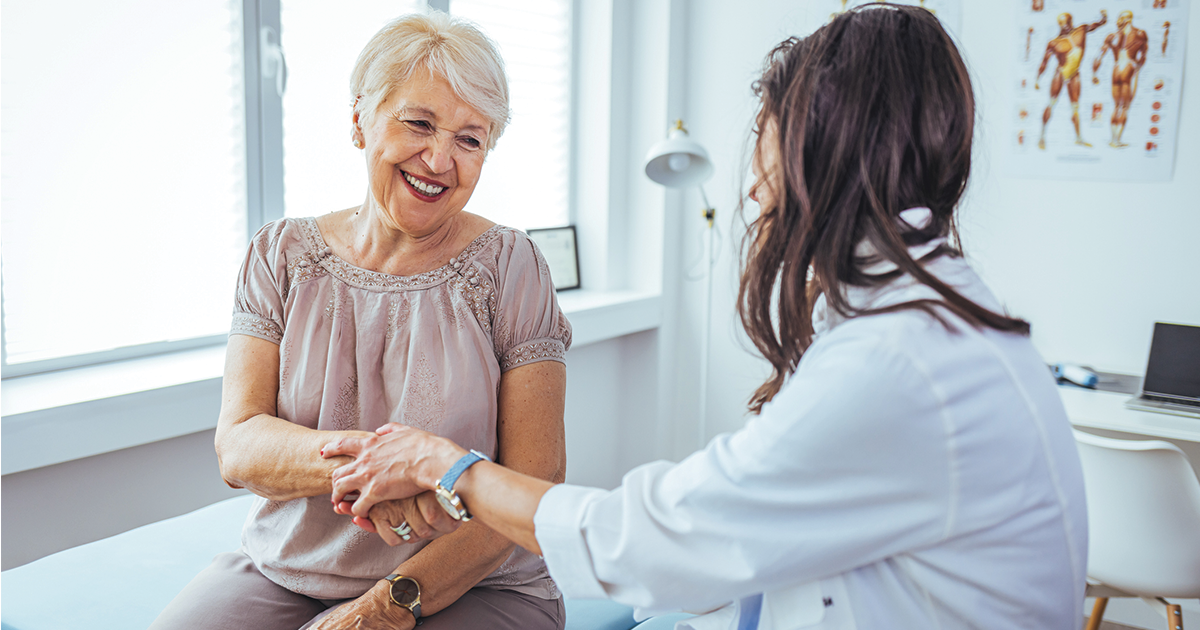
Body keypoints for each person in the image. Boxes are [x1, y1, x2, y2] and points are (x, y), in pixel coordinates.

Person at [324, 6, 1087, 630]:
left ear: (819, 143)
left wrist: (444, 466)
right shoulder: (920, 319)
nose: (753, 187)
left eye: (765, 128)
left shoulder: (899, 360)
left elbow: (652, 541)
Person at [150, 12, 571, 630]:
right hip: (288, 571)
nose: (439, 159)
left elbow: (537, 478)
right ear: (358, 121)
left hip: (478, 580)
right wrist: (382, 467)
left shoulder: (512, 266)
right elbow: (238, 446)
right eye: (420, 124)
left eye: (469, 139)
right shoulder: (281, 254)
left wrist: (388, 602)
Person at [1036, 11, 1109, 149]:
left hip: (1075, 74)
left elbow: (1095, 25)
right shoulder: (1054, 42)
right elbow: (1044, 62)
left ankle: (1078, 138)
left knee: (1075, 107)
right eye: (1062, 23)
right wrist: (1038, 78)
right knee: (1051, 104)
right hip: (1061, 73)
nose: (1065, 25)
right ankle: (1041, 136)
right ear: (1059, 24)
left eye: (1067, 22)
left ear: (1071, 20)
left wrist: (1103, 19)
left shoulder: (1081, 30)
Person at [1092, 11, 1148, 148]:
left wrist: (1094, 73)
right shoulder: (1140, 33)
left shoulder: (1111, 36)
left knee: (1116, 106)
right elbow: (1143, 55)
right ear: (1130, 19)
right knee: (1125, 107)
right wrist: (1137, 67)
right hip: (1129, 66)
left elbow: (1099, 56)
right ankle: (1117, 140)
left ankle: (1113, 139)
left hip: (1116, 69)